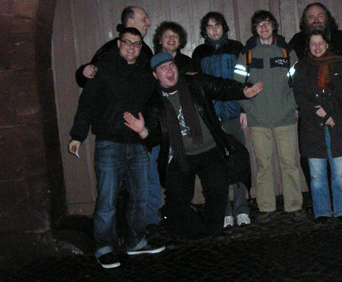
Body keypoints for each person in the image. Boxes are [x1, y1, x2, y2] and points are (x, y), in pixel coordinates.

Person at [124, 53, 263, 239]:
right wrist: (142, 131)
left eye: (171, 65)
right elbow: (155, 139)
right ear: (155, 75)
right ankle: (191, 232)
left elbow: (220, 86)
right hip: (182, 155)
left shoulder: (195, 83)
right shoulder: (155, 102)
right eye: (163, 68)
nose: (169, 71)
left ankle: (213, 231)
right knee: (176, 196)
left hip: (210, 149)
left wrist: (242, 92)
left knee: (217, 190)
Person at [68, 25, 164, 269]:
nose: (131, 47)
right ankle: (104, 246)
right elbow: (87, 103)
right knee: (107, 198)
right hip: (109, 143)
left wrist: (146, 132)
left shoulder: (145, 72)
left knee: (140, 196)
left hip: (136, 143)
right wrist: (78, 135)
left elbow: (154, 104)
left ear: (140, 47)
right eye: (127, 42)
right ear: (119, 44)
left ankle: (135, 240)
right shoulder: (104, 69)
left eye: (136, 43)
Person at [234, 10, 305, 223]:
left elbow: (299, 83)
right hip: (259, 122)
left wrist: (291, 106)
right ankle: (266, 207)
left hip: (285, 119)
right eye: (259, 24)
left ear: (274, 26)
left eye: (267, 23)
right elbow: (237, 87)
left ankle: (294, 206)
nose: (264, 27)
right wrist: (251, 110)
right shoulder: (247, 54)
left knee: (289, 164)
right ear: (255, 29)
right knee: (263, 166)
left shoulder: (287, 52)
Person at [289, 2, 342, 188]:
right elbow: (291, 77)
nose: (316, 20)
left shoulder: (340, 38)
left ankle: (340, 198)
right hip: (309, 111)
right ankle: (320, 198)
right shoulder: (297, 41)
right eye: (311, 17)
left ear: (327, 17)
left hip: (336, 108)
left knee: (339, 154)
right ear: (305, 21)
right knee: (312, 159)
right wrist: (297, 105)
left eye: (320, 15)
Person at [192, 12, 251, 228]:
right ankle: (224, 211)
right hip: (212, 119)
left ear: (223, 27)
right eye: (209, 26)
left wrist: (244, 108)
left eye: (217, 25)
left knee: (239, 162)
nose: (214, 30)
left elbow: (245, 78)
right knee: (218, 167)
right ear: (204, 31)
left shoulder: (236, 48)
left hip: (235, 114)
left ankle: (242, 209)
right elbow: (197, 86)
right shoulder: (200, 53)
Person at [293, 29, 342, 225]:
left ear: (327, 44)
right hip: (313, 128)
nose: (317, 47)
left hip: (337, 125)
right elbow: (300, 96)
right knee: (317, 175)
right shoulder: (301, 67)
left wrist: (328, 112)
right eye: (313, 43)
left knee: (340, 174)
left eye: (320, 43)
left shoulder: (339, 63)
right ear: (308, 46)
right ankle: (322, 212)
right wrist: (320, 113)